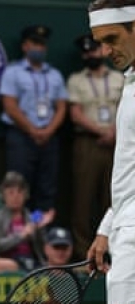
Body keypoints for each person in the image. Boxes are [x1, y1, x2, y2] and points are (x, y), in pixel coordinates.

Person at [41, 2, 135, 304]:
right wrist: (105, 227)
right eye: (101, 41)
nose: (106, 51)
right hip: (125, 229)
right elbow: (128, 172)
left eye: (115, 38)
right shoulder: (130, 84)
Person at [0, 25, 68, 217]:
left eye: (42, 44)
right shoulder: (13, 72)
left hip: (49, 138)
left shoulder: (54, 75)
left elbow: (61, 106)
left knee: (46, 188)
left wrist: (48, 130)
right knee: (19, 186)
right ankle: (19, 232)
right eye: (34, 43)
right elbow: (10, 106)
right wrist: (32, 130)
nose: (39, 48)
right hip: (21, 137)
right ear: (25, 46)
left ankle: (41, 231)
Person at [67, 33, 124, 260]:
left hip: (117, 141)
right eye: (87, 52)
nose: (91, 55)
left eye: (94, 50)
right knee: (83, 197)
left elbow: (125, 108)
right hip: (88, 141)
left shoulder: (119, 78)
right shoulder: (77, 80)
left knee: (112, 196)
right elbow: (76, 113)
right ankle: (83, 253)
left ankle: (114, 252)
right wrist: (101, 131)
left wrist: (113, 132)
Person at [0, 171, 52, 271]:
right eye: (11, 192)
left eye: (20, 192)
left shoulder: (34, 216)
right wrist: (21, 235)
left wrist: (40, 229)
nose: (16, 196)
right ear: (3, 195)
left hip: (32, 262)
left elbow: (43, 249)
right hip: (8, 263)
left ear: (25, 194)